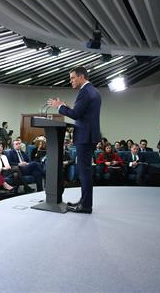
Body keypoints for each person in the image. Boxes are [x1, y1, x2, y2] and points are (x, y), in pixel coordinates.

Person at [47, 66, 101, 214]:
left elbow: (76, 114)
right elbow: (82, 113)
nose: (70, 81)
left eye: (72, 78)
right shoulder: (94, 91)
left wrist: (60, 107)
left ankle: (85, 205)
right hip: (90, 135)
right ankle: (84, 201)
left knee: (84, 172)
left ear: (81, 76)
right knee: (86, 171)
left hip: (84, 137)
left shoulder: (84, 92)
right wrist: (65, 106)